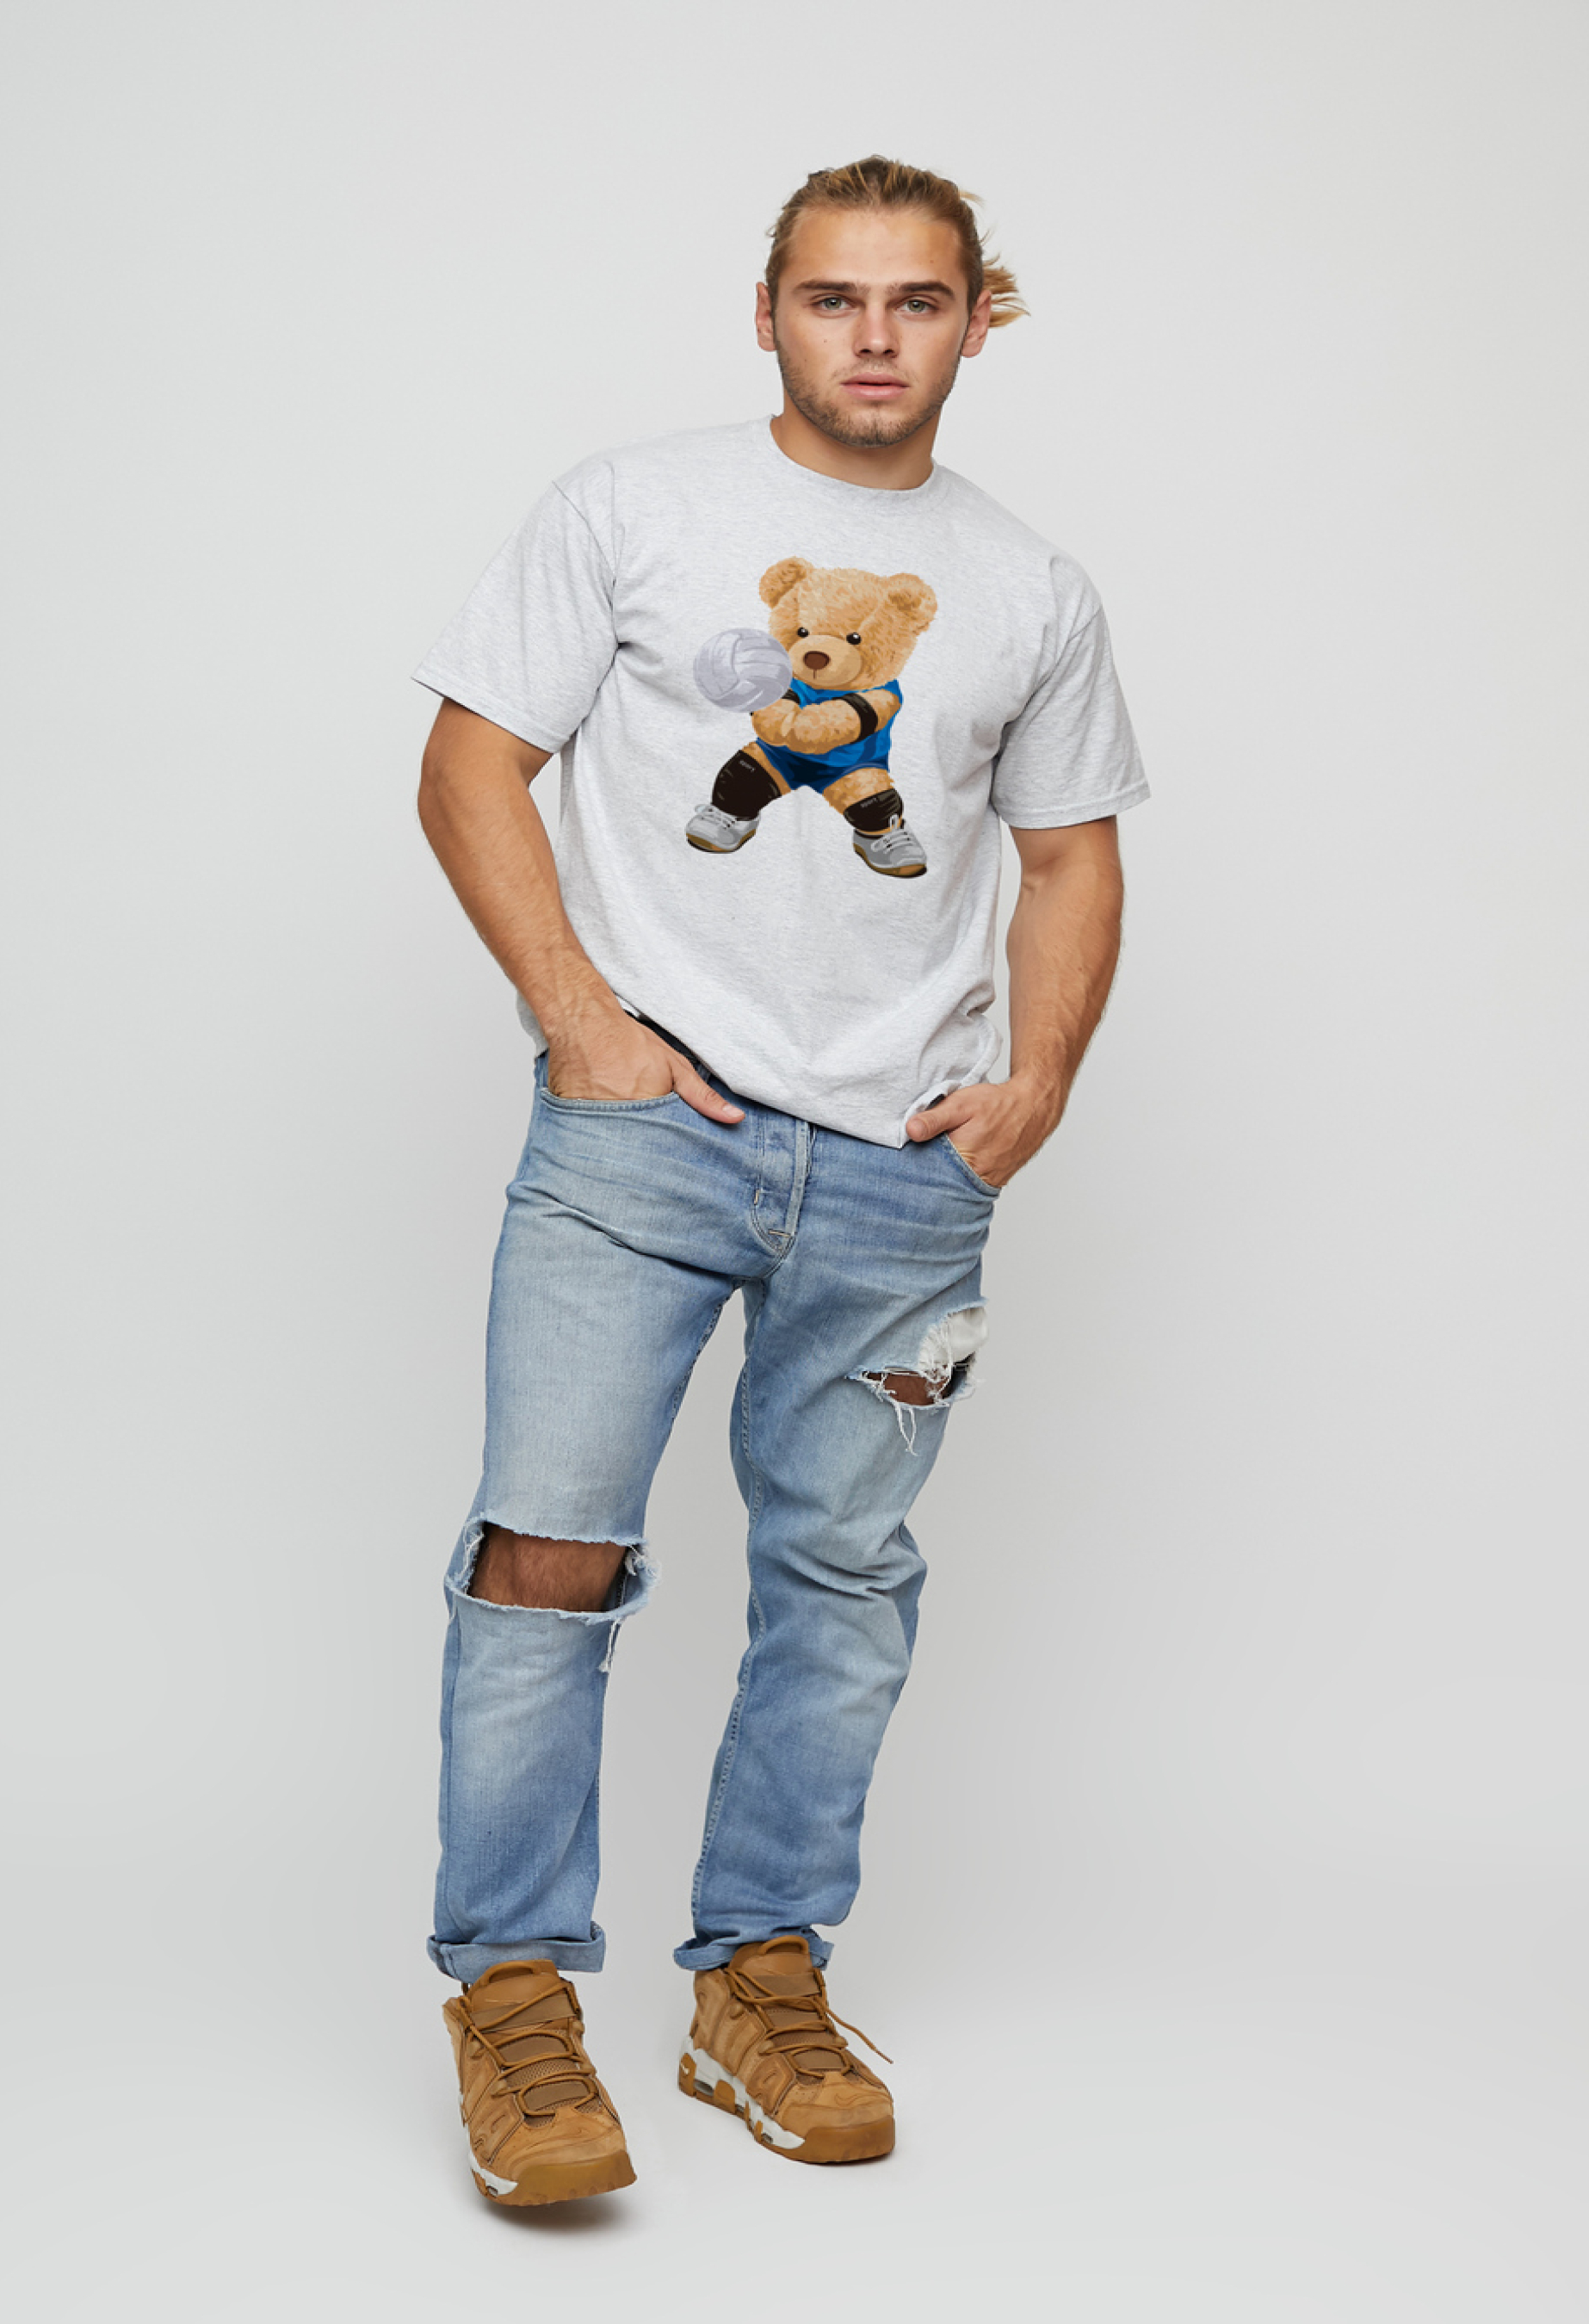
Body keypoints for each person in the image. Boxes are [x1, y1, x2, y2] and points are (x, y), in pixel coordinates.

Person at [413, 153, 1148, 2208]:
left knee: (841, 1582)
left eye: (915, 300)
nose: (873, 337)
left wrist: (1035, 1083)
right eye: (832, 298)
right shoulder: (629, 507)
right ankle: (513, 2008)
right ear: (767, 314)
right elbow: (470, 763)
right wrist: (579, 1021)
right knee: (544, 1557)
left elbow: (1071, 853)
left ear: (977, 318)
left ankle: (759, 1977)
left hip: (903, 1172)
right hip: (643, 1138)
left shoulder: (1028, 588)